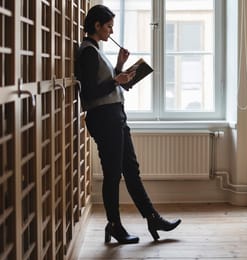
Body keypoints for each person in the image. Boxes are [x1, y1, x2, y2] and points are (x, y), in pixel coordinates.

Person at [75, 4, 181, 244]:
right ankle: (114, 225)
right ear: (97, 25)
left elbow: (108, 83)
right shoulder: (88, 51)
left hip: (115, 116)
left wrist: (120, 67)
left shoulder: (96, 50)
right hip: (104, 118)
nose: (111, 32)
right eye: (109, 26)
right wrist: (116, 79)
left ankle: (152, 217)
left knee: (131, 170)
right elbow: (90, 95)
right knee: (113, 174)